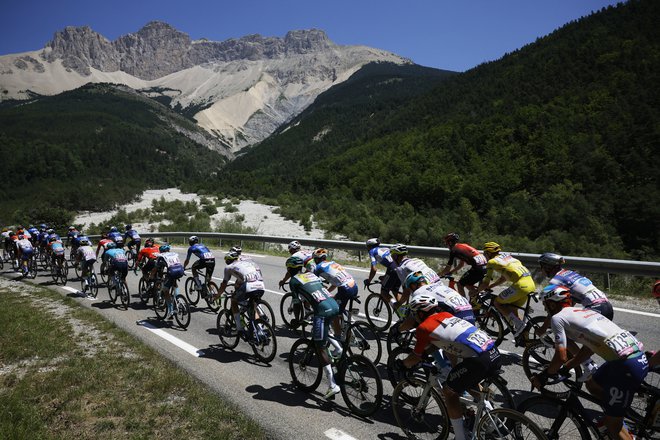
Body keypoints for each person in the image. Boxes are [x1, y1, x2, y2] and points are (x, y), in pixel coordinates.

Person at [531, 285, 648, 440]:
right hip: (632, 357)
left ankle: (615, 422)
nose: (545, 310)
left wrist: (543, 376)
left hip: (626, 366)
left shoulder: (557, 318)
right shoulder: (586, 311)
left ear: (552, 304)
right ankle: (615, 411)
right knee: (592, 384)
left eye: (545, 306)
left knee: (614, 427)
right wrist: (568, 366)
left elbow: (560, 356)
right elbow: (590, 347)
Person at [398, 291, 500, 440]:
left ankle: (460, 437)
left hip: (479, 359)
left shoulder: (424, 328)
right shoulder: (446, 315)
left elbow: (415, 357)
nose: (413, 318)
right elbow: (448, 345)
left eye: (414, 314)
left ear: (420, 313)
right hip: (493, 352)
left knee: (449, 391)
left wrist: (403, 364)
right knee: (469, 383)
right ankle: (493, 422)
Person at [538, 251, 614, 380]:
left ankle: (588, 366)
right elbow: (567, 306)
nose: (541, 269)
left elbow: (556, 311)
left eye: (541, 266)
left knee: (566, 334)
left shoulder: (555, 281)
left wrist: (543, 328)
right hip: (606, 305)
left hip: (595, 308)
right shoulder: (569, 273)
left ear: (547, 267)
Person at [286, 255, 341, 399]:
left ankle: (332, 385)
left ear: (289, 269)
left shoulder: (293, 281)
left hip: (321, 311)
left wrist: (297, 321)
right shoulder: (310, 274)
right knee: (323, 332)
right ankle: (338, 348)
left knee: (319, 345)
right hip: (334, 305)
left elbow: (297, 303)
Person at [476, 242, 535, 340]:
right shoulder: (509, 257)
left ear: (489, 253)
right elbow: (503, 278)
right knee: (512, 308)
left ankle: (520, 325)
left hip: (521, 285)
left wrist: (476, 291)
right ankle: (524, 338)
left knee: (497, 303)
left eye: (485, 253)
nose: (485, 255)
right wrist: (491, 286)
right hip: (531, 284)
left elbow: (485, 283)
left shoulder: (492, 262)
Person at [213, 251, 265, 335]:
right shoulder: (244, 263)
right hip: (261, 285)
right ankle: (260, 331)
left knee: (234, 301)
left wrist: (217, 296)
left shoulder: (228, 267)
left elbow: (223, 285)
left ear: (227, 261)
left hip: (249, 286)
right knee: (253, 306)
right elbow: (241, 280)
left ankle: (239, 328)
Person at [312, 248, 358, 335]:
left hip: (345, 289)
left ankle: (338, 337)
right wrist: (328, 292)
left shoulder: (318, 268)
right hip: (354, 286)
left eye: (314, 259)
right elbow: (336, 282)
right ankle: (347, 325)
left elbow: (314, 283)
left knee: (334, 313)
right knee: (337, 302)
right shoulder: (333, 263)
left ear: (317, 259)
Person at [391, 243, 440, 314]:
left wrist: (399, 303)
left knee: (414, 317)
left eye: (392, 256)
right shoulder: (417, 260)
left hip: (428, 292)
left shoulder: (401, 268)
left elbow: (406, 291)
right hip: (439, 286)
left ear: (395, 256)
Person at [438, 233, 488, 300]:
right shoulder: (462, 246)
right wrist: (451, 272)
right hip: (484, 266)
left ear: (449, 243)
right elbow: (461, 265)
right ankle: (477, 298)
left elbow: (446, 269)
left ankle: (465, 304)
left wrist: (437, 275)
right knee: (467, 284)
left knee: (460, 284)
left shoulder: (453, 251)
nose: (447, 245)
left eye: (446, 243)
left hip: (477, 268)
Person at [363, 238, 402, 312]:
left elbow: (374, 269)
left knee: (384, 292)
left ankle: (397, 308)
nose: (367, 248)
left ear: (370, 246)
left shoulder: (372, 251)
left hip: (392, 270)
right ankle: (404, 313)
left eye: (367, 247)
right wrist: (385, 276)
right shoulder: (385, 248)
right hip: (400, 268)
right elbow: (391, 263)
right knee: (395, 291)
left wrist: (368, 280)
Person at [154, 244, 185, 319]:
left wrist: (152, 275)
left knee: (165, 290)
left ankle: (170, 310)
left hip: (172, 271)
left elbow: (156, 268)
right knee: (174, 283)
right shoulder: (174, 254)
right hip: (180, 270)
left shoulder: (161, 256)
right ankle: (178, 299)